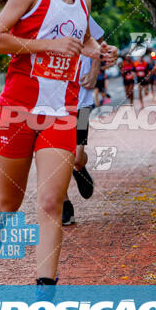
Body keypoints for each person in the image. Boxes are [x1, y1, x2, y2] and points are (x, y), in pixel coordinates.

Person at [0, 0, 117, 288]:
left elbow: (84, 42)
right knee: (10, 202)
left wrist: (102, 52)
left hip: (61, 114)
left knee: (49, 204)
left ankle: (46, 292)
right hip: (18, 110)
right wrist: (46, 46)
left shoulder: (83, 1)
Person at [62, 16, 105, 226]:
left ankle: (79, 168)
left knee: (77, 157)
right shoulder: (34, 14)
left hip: (82, 100)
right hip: (51, 103)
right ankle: (64, 204)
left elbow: (100, 41)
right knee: (55, 158)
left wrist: (94, 71)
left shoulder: (78, 10)